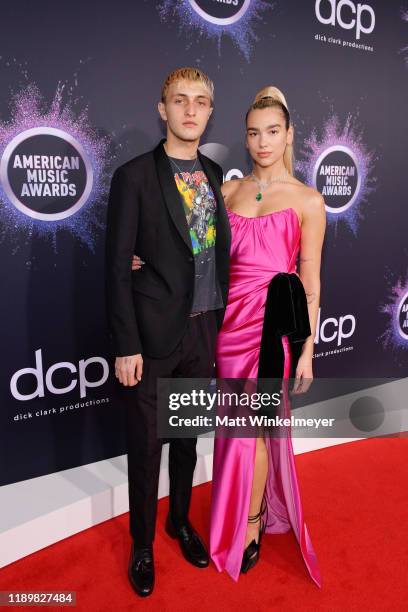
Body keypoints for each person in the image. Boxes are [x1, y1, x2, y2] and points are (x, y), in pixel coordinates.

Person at [105, 67, 230, 598]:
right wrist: (126, 344)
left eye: (200, 102)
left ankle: (179, 522)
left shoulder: (216, 174)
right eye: (179, 101)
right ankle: (141, 545)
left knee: (186, 441)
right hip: (153, 339)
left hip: (204, 335)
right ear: (162, 109)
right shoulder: (133, 177)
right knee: (146, 446)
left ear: (208, 112)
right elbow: (115, 268)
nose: (190, 110)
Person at [209, 87, 325, 586]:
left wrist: (307, 351)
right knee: (228, 428)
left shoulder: (307, 200)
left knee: (251, 429)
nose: (262, 142)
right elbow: (197, 260)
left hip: (271, 332)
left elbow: (311, 282)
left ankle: (250, 524)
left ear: (288, 135)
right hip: (225, 326)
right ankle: (233, 514)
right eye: (254, 133)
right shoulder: (226, 193)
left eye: (272, 132)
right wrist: (142, 260)